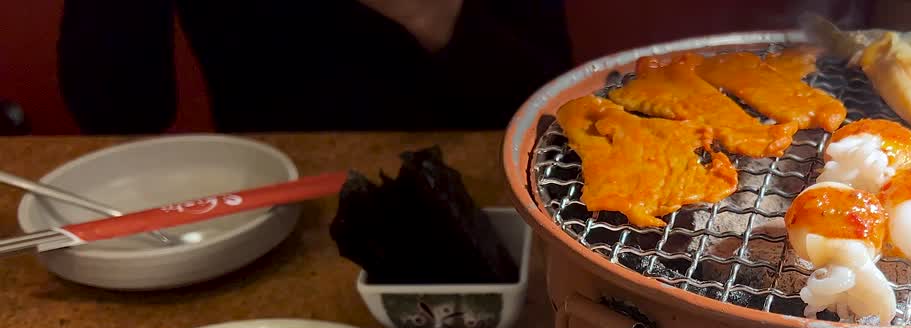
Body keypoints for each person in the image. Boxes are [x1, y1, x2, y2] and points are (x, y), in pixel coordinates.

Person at [58, 0, 571, 133]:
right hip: (269, 209)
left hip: (480, 202)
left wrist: (433, 16)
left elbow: (555, 114)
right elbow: (120, 113)